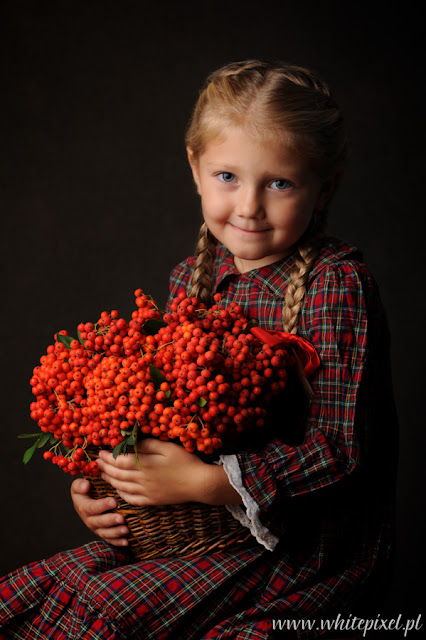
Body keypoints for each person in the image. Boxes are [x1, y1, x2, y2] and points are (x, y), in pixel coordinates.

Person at [0, 59, 398, 639]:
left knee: (111, 612)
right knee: (40, 592)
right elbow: (165, 421)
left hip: (309, 557)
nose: (249, 206)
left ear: (326, 184)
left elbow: (341, 450)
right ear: (195, 168)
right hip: (198, 538)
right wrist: (108, 490)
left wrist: (209, 485)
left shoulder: (335, 286)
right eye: (227, 177)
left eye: (280, 183)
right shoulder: (191, 281)